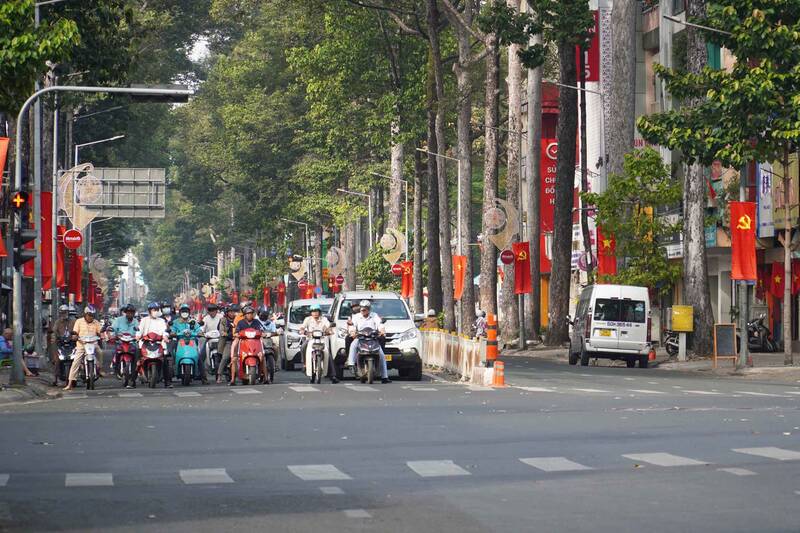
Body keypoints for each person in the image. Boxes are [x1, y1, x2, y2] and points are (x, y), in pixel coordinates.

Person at [347, 300, 391, 384]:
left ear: (369, 309)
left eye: (365, 309)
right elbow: (352, 326)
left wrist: (382, 330)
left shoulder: (374, 316)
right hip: (360, 338)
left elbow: (380, 324)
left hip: (373, 338)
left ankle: (385, 377)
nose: (363, 311)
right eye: (361, 309)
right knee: (353, 345)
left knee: (381, 354)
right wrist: (352, 332)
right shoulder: (356, 316)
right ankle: (351, 364)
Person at [64, 306, 104, 391]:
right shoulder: (79, 321)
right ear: (85, 314)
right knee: (75, 362)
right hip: (82, 345)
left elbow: (100, 332)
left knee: (100, 352)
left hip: (93, 344)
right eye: (89, 315)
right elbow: (75, 332)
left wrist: (103, 335)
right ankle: (70, 383)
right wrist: (74, 336)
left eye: (92, 315)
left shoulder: (96, 322)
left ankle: (100, 369)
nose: (91, 317)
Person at [299, 303, 338, 383]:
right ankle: (304, 364)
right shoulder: (308, 319)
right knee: (303, 346)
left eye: (316, 311)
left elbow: (328, 327)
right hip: (310, 340)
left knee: (327, 353)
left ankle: (333, 376)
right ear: (311, 313)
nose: (315, 313)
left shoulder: (324, 319)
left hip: (321, 340)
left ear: (319, 312)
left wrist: (330, 331)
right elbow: (302, 327)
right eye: (313, 311)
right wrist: (303, 331)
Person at [172, 303, 208, 384]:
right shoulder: (176, 322)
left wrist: (200, 333)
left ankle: (204, 378)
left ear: (189, 312)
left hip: (192, 342)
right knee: (171, 355)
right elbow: (172, 330)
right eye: (183, 311)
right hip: (179, 342)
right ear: (180, 312)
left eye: (186, 311)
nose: (184, 313)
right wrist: (173, 333)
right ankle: (169, 376)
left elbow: (199, 330)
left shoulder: (193, 322)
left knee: (198, 358)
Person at [137, 302, 171, 388]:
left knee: (165, 361)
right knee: (136, 360)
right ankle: (132, 380)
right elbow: (139, 330)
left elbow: (165, 331)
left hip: (159, 343)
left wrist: (166, 337)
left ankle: (167, 382)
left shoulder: (162, 321)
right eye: (154, 310)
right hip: (145, 343)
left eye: (157, 310)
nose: (156, 311)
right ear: (149, 311)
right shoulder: (144, 320)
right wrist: (138, 336)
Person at [231, 305, 268, 384]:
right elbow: (236, 332)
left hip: (255, 341)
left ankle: (266, 378)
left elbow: (261, 330)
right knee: (234, 357)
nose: (250, 315)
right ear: (244, 315)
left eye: (251, 313)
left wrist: (263, 334)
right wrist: (237, 334)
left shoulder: (256, 322)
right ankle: (232, 379)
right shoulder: (240, 323)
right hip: (243, 341)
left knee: (263, 357)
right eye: (248, 314)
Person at [49, 305, 75, 386]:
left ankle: (81, 373)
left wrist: (76, 336)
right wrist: (55, 337)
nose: (64, 314)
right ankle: (55, 378)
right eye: (62, 312)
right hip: (61, 343)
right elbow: (54, 331)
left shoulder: (73, 321)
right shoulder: (58, 322)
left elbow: (77, 330)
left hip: (72, 343)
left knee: (78, 358)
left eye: (65, 312)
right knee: (57, 360)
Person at [111, 304, 139, 377]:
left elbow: (139, 331)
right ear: (126, 312)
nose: (130, 314)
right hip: (120, 342)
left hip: (132, 343)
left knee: (137, 352)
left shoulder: (136, 322)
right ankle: (116, 368)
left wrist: (138, 336)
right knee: (115, 351)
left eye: (132, 312)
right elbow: (113, 329)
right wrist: (113, 335)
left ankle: (135, 370)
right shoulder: (119, 320)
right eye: (128, 312)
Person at [217, 304, 238, 384]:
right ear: (227, 312)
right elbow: (221, 330)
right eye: (230, 312)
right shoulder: (223, 320)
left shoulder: (238, 319)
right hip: (229, 341)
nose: (232, 313)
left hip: (239, 340)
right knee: (225, 357)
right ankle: (219, 375)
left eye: (233, 312)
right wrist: (225, 333)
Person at [201, 303, 222, 371]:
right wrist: (201, 333)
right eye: (210, 310)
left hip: (220, 339)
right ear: (208, 311)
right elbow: (202, 328)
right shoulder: (205, 318)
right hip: (209, 339)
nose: (212, 312)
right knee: (201, 355)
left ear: (216, 310)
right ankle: (199, 373)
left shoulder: (221, 317)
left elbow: (225, 326)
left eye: (213, 310)